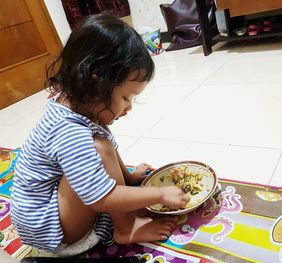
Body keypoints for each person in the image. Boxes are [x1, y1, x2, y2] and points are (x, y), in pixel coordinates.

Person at [10, 14, 190, 256]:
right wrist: (158, 194)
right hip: (51, 229)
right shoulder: (68, 130)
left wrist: (129, 180)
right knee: (99, 146)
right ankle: (126, 228)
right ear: (96, 82)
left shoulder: (76, 100)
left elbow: (101, 157)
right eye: (126, 98)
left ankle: (127, 187)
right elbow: (101, 198)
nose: (129, 108)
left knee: (100, 140)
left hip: (53, 212)